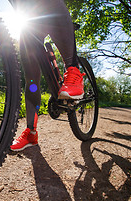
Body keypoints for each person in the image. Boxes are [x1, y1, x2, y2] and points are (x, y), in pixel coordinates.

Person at [9, 0, 85, 151]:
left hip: (44, 9)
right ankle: (31, 132)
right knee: (31, 79)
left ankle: (73, 69)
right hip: (28, 19)